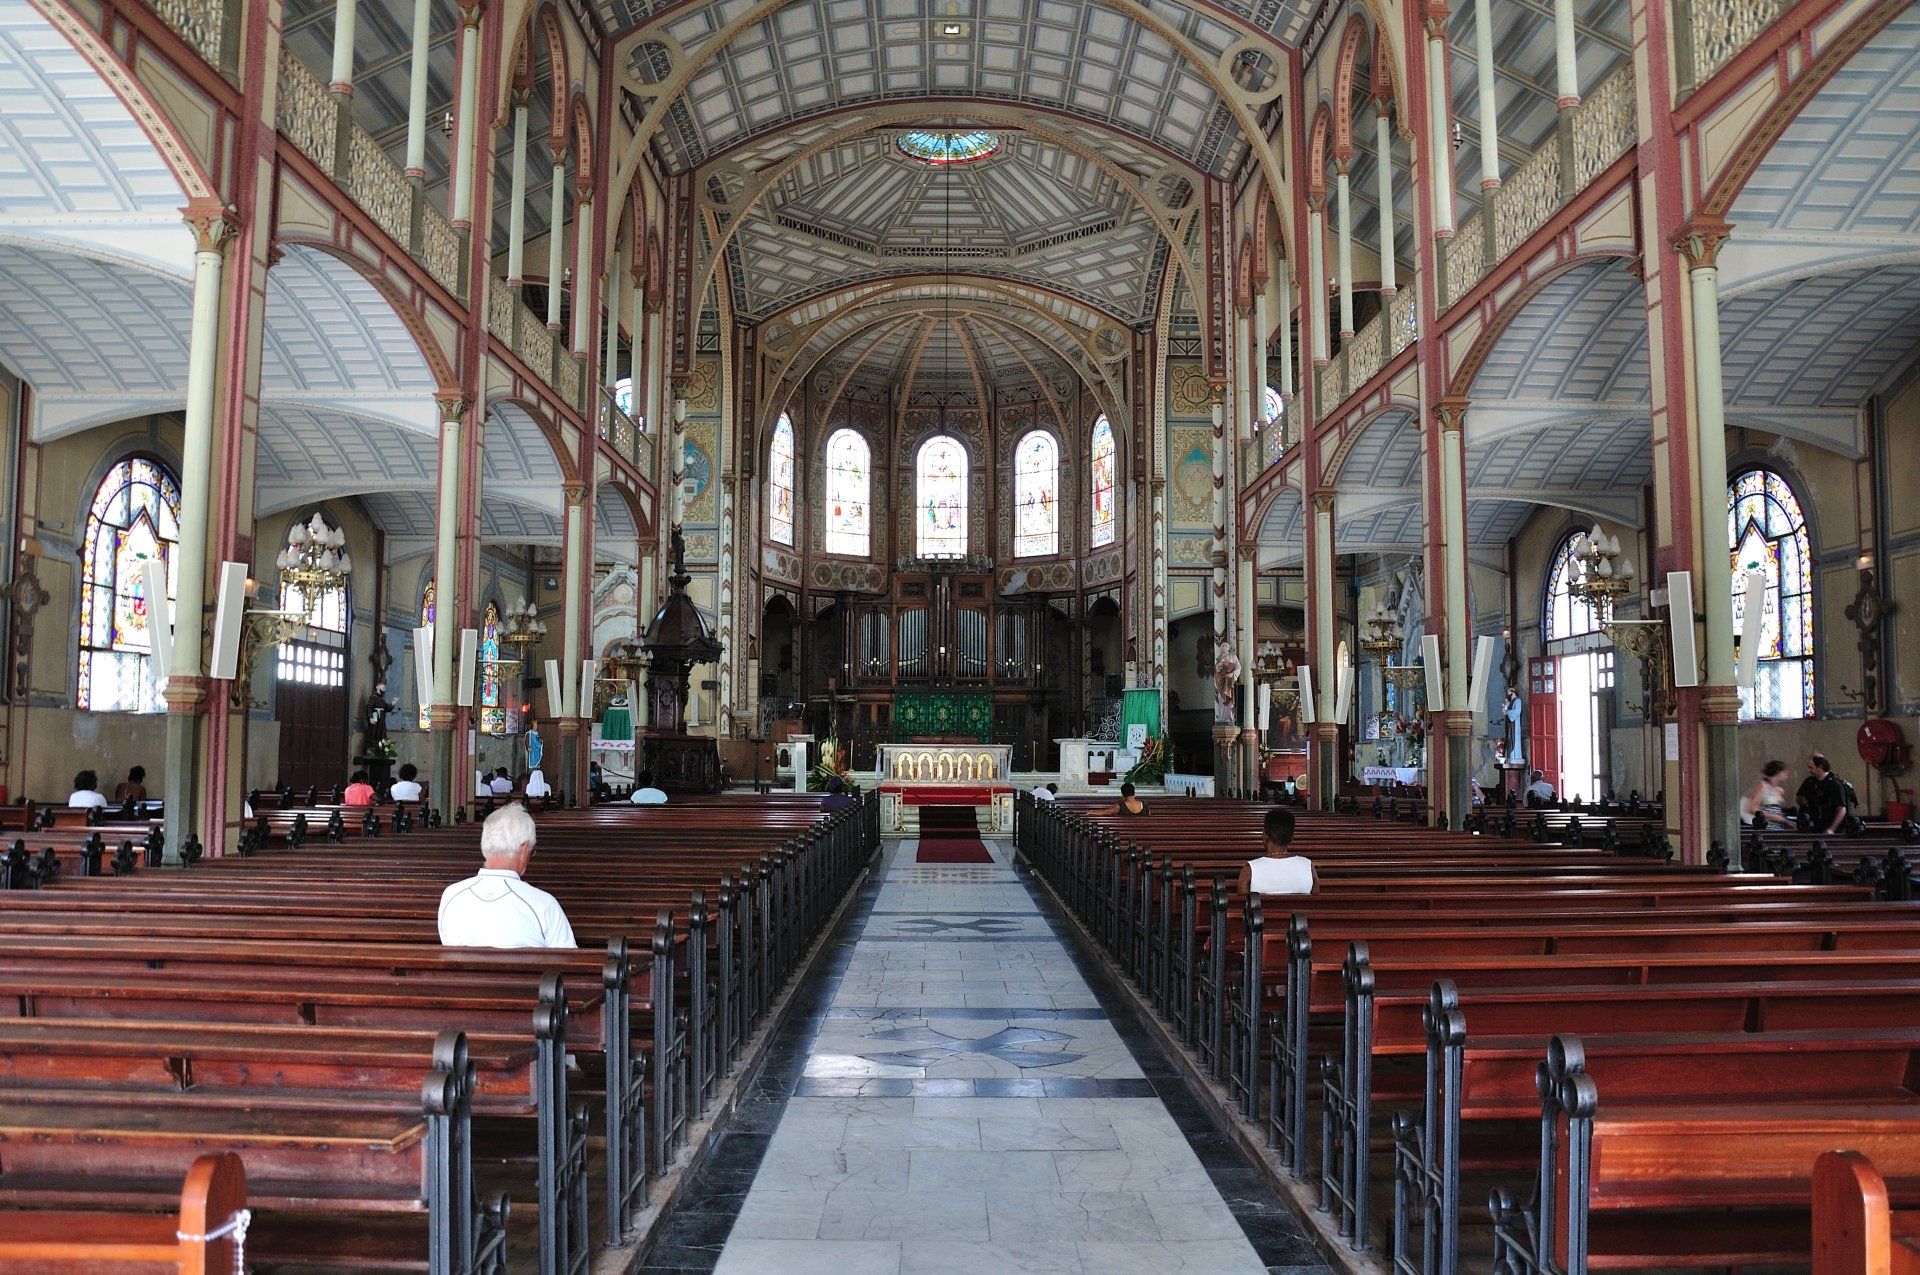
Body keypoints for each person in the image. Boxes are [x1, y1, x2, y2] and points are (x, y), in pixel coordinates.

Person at [437, 803, 576, 949]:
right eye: (531, 852)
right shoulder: (544, 904)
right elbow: (567, 961)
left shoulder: (451, 896)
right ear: (524, 850)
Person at [1237, 807, 1316, 896]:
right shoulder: (1308, 866)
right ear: (1291, 837)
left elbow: (1241, 905)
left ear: (1265, 835)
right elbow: (1316, 905)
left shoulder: (1249, 870)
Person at [1797, 753, 1849, 834]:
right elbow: (1799, 797)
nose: (1809, 770)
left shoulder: (1834, 784)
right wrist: (1804, 800)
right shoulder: (1809, 781)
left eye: (1811, 767)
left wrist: (1831, 829)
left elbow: (1841, 809)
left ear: (1820, 767)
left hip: (1829, 828)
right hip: (1812, 827)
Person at [1741, 759, 1792, 829]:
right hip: (1766, 826)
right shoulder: (1763, 786)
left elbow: (1778, 809)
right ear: (1778, 772)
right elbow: (1752, 808)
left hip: (1778, 826)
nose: (1786, 775)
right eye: (1784, 772)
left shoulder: (1780, 790)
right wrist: (1774, 817)